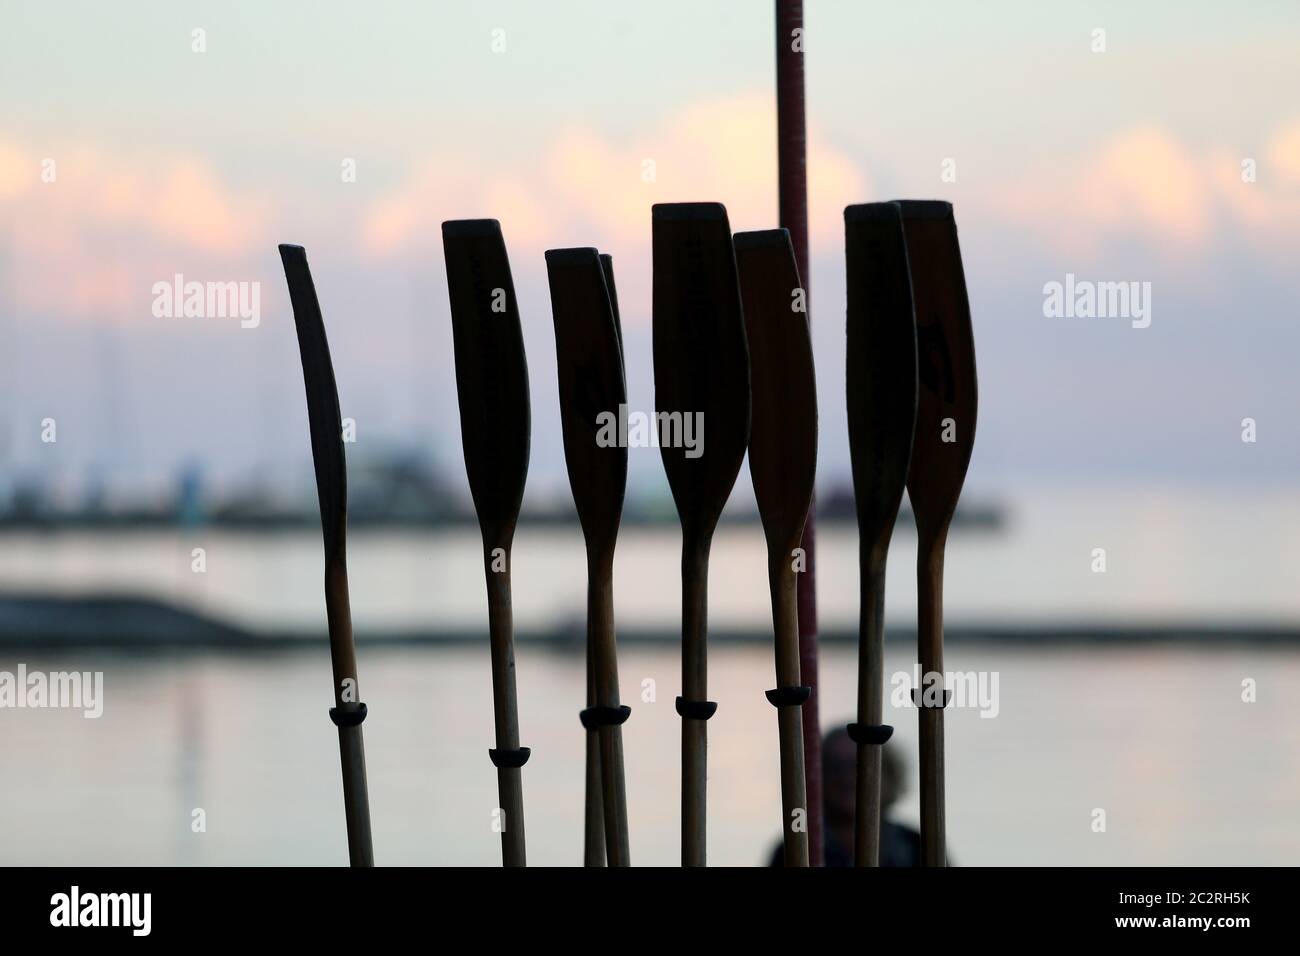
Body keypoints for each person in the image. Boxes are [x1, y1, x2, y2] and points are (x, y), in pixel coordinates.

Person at [767, 726, 925, 866]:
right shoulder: (795, 847)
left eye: (858, 765)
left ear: (888, 776)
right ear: (815, 778)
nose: (846, 778)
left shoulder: (915, 845)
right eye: (835, 767)